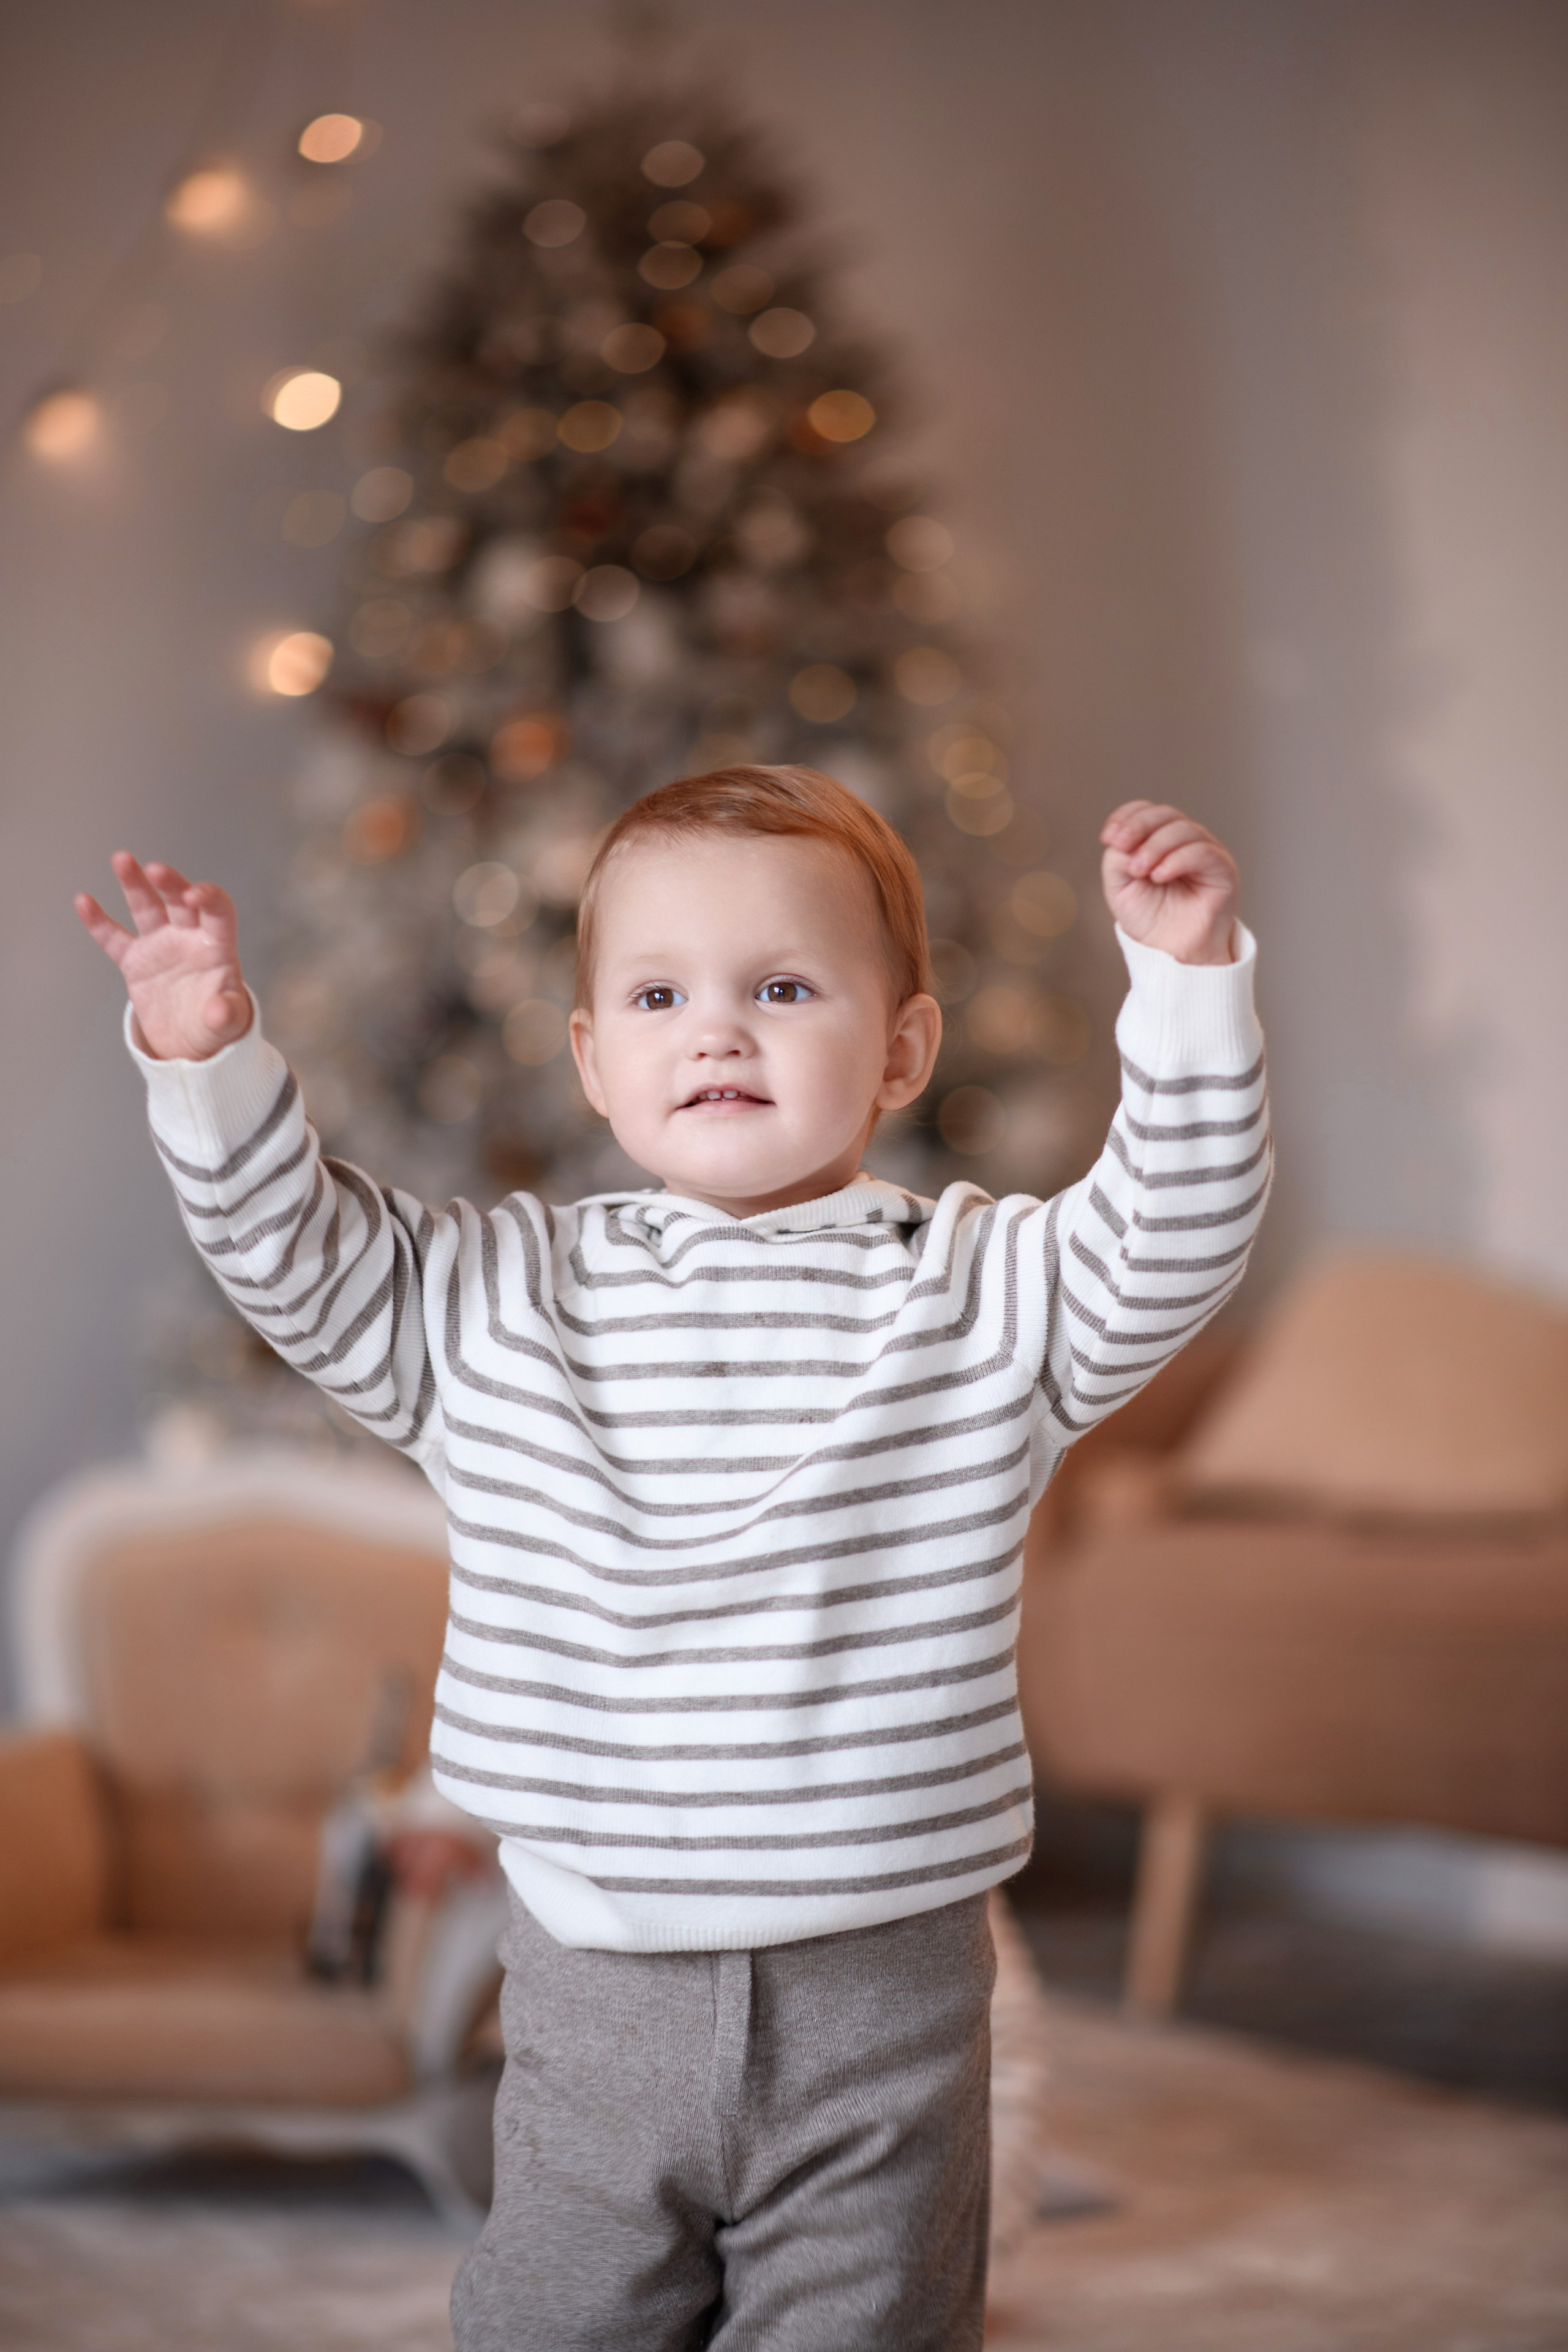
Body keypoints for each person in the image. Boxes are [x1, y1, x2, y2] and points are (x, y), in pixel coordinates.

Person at [77, 766, 1268, 2350]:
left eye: (782, 988)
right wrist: (204, 1058)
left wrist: (1188, 984)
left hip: (888, 1990)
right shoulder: (497, 1302)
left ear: (903, 1048)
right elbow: (295, 1255)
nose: (717, 1032)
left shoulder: (986, 1294)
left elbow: (1175, 1226)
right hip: (595, 1981)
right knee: (560, 2319)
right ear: (593, 1060)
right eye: (658, 996)